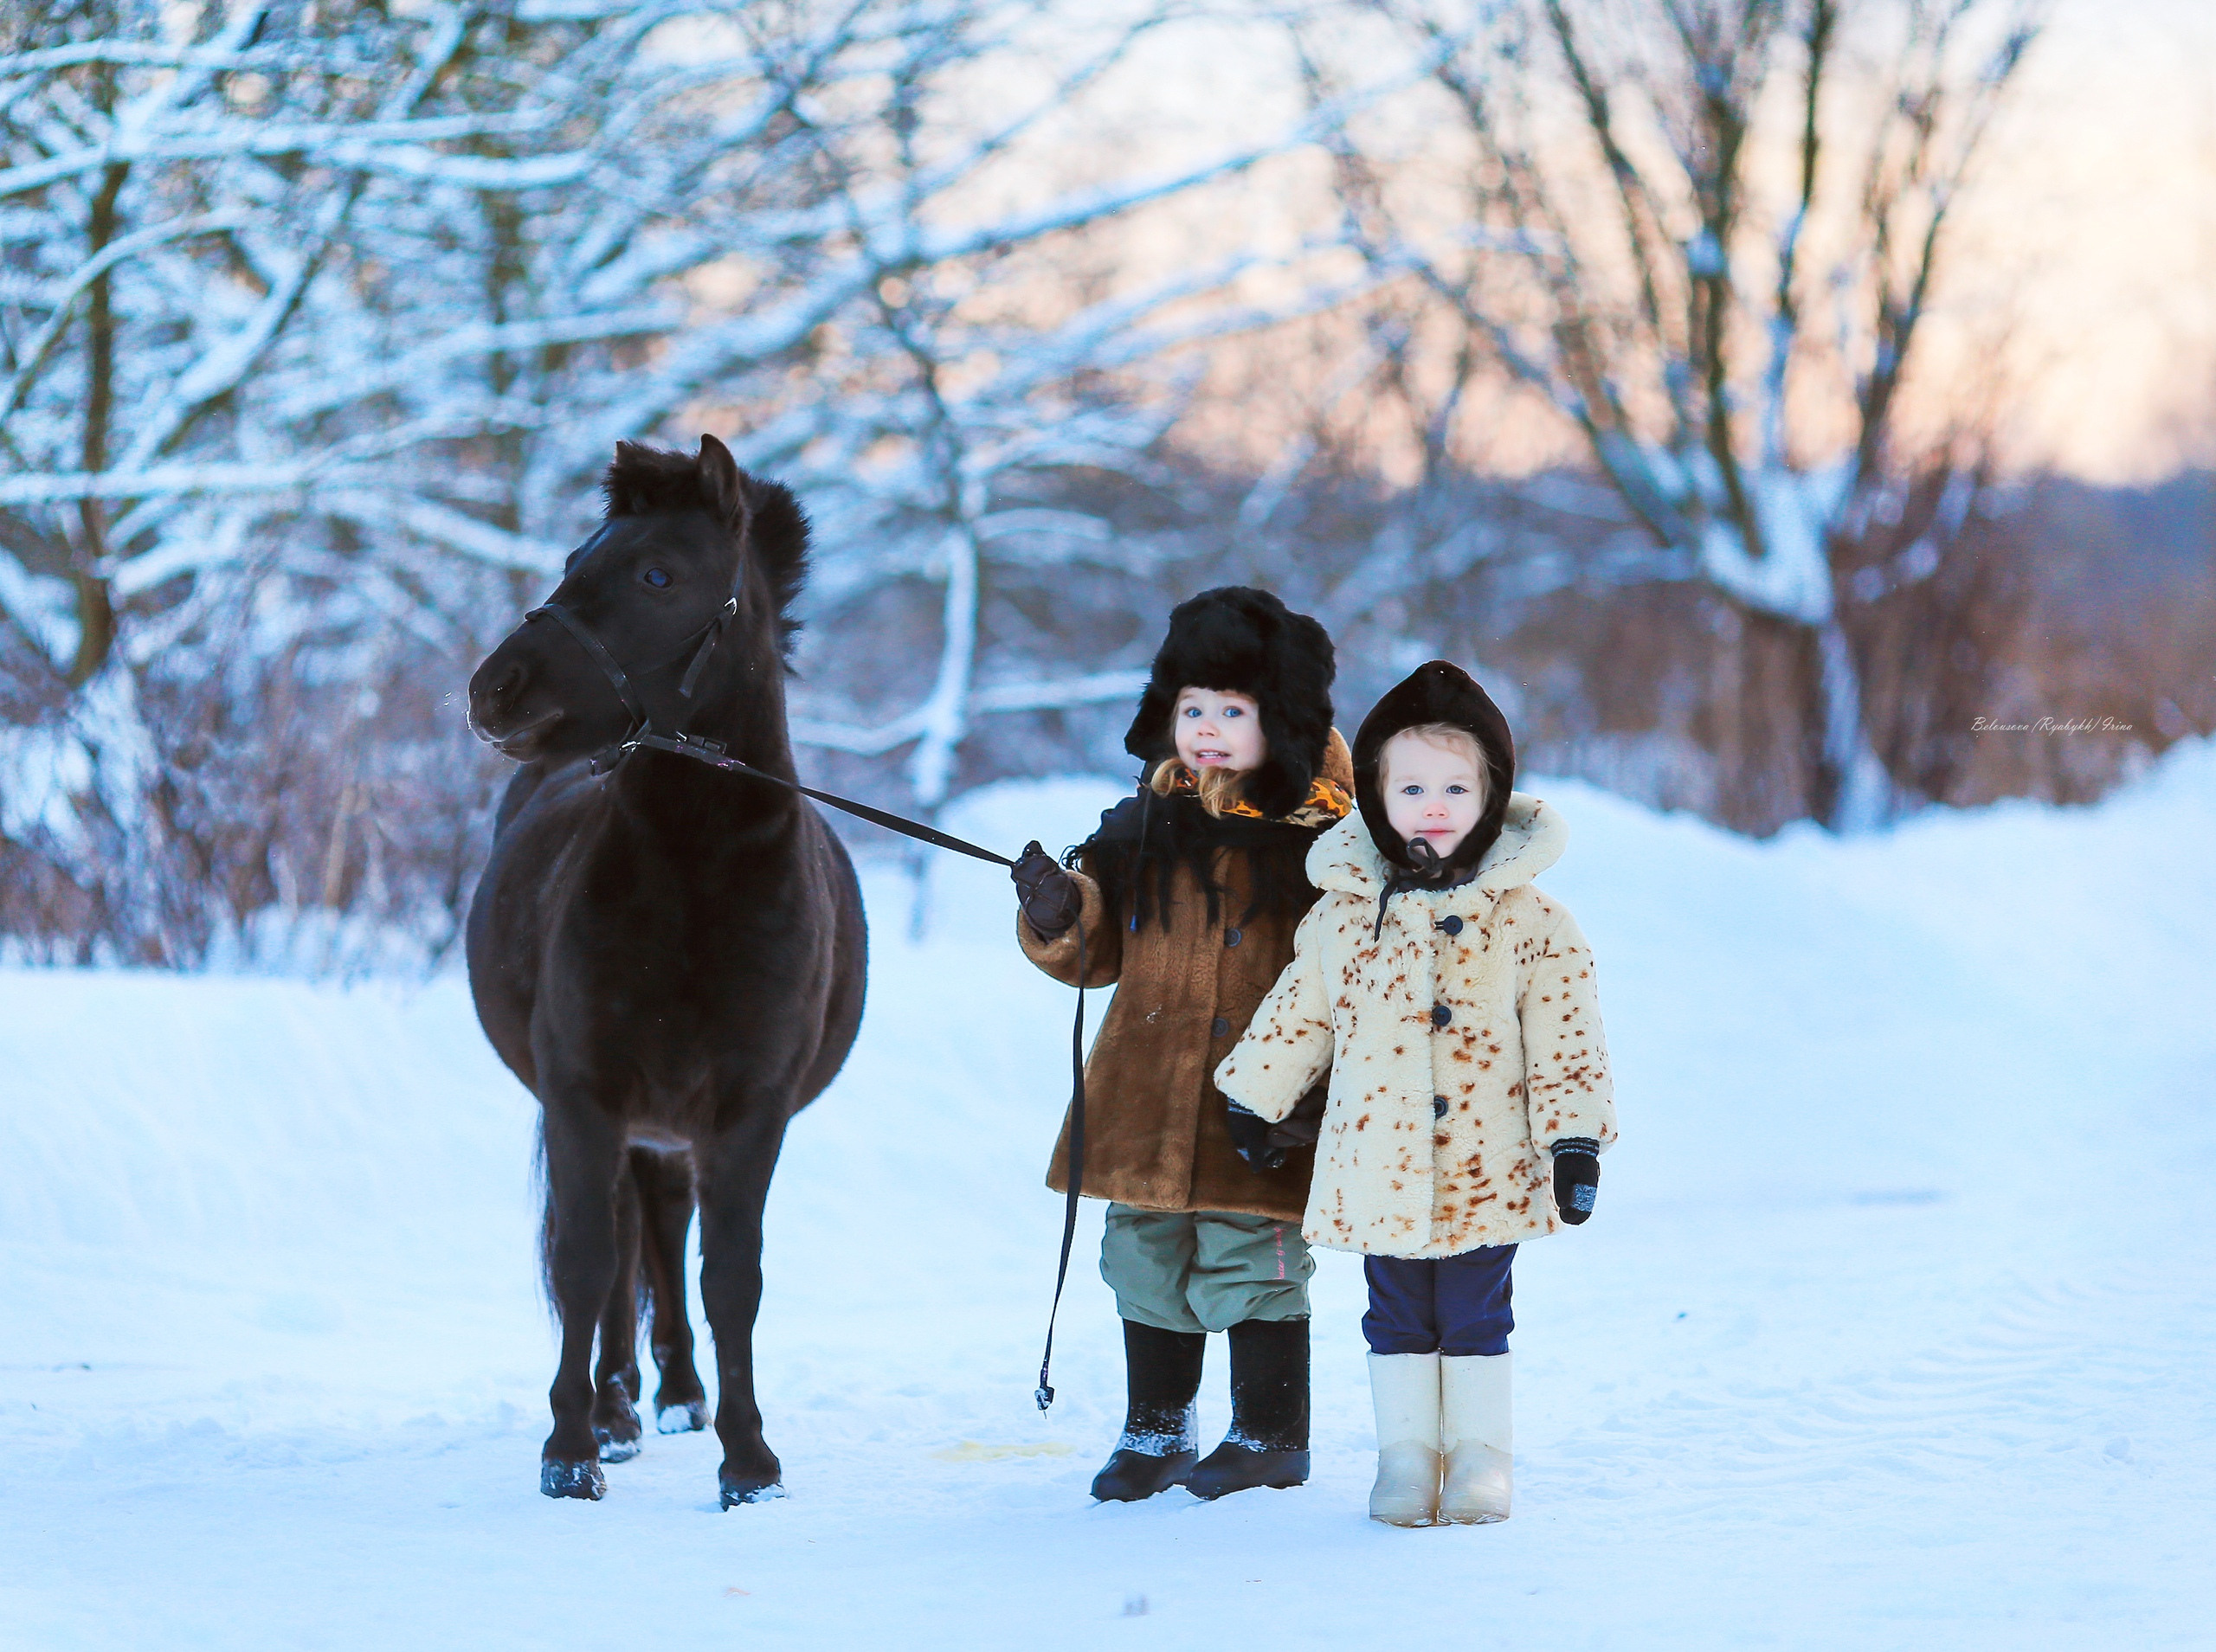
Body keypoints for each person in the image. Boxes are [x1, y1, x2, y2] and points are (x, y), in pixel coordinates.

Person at [1214, 659, 1616, 1526]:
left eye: (1455, 786)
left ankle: (1478, 1458)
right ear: (1377, 797)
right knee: (1393, 1309)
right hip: (1379, 1163)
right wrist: (1254, 1094)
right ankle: (1405, 1458)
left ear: (1491, 793)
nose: (1433, 803)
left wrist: (1574, 1141)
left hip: (1486, 1162)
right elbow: (1300, 1013)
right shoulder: (1346, 914)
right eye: (1411, 786)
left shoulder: (1531, 918)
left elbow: (1566, 1035)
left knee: (1474, 1309)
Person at [1008, 588, 1353, 1503]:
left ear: (1277, 719)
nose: (1203, 728)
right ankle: (1155, 1431)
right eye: (1190, 708)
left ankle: (1270, 1431)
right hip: (1145, 1093)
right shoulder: (1145, 824)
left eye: (1230, 711)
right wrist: (1058, 913)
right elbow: (1099, 950)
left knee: (1252, 1258)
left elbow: (1353, 974)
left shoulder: (1325, 843)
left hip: (1262, 1104)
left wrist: (1315, 1090)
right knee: (1143, 1255)